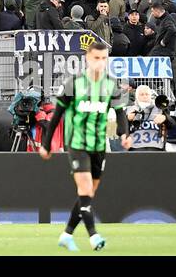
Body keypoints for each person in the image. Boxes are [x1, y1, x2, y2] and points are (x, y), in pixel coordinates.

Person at [38, 41, 131, 251]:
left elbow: (120, 114)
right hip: (77, 144)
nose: (100, 62)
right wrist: (47, 144)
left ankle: (66, 234)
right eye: (96, 58)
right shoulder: (73, 83)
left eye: (104, 58)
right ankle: (94, 236)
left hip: (99, 145)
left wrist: (124, 134)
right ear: (88, 59)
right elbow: (56, 116)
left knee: (86, 195)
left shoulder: (112, 84)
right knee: (85, 188)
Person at [124, 84, 166, 150]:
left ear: (150, 96)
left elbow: (172, 124)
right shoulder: (130, 109)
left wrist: (165, 118)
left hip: (156, 147)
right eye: (142, 94)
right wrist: (127, 119)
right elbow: (120, 129)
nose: (145, 96)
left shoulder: (159, 108)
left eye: (147, 94)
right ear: (137, 96)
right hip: (135, 147)